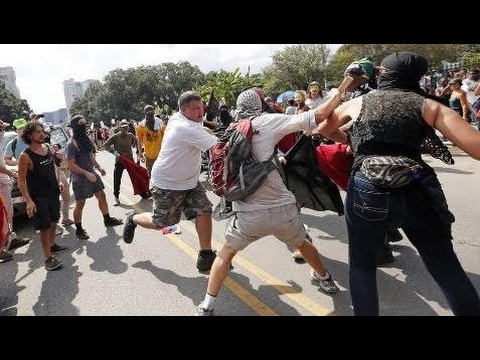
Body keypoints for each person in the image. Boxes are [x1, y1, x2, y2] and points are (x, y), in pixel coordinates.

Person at [317, 51, 480, 316]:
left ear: (386, 75)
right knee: (444, 266)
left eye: (380, 71)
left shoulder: (359, 103)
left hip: (367, 189)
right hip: (416, 187)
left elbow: (322, 128)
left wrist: (355, 142)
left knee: (362, 266)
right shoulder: (428, 105)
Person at [195, 85, 351, 316]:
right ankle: (325, 279)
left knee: (225, 254)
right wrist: (338, 92)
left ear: (238, 107)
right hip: (282, 211)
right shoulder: (267, 122)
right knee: (302, 242)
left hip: (247, 215)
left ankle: (207, 306)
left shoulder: (228, 131)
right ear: (258, 106)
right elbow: (317, 116)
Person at [123, 91, 218, 273]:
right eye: (195, 109)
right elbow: (218, 146)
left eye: (202, 107)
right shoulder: (185, 128)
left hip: (189, 181)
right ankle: (133, 219)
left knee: (204, 210)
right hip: (167, 183)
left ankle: (205, 255)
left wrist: (209, 126)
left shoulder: (177, 118)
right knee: (163, 223)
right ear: (183, 110)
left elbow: (202, 128)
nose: (201, 112)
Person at [17, 122, 68, 271]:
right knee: (44, 227)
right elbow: (21, 181)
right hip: (39, 198)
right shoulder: (25, 156)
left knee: (54, 221)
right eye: (38, 132)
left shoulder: (47, 148)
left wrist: (58, 182)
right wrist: (28, 201)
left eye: (42, 131)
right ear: (29, 135)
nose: (42, 134)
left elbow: (53, 167)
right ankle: (47, 258)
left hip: (53, 193)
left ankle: (53, 245)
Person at [66, 115, 123, 241]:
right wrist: (86, 173)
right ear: (75, 127)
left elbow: (89, 155)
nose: (84, 126)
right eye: (81, 124)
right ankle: (79, 230)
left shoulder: (85, 139)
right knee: (80, 203)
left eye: (84, 123)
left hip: (92, 174)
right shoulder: (71, 144)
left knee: (101, 195)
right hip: (80, 178)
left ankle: (107, 219)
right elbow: (70, 165)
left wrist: (98, 167)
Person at [100, 119, 139, 206]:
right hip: (120, 162)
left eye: (126, 127)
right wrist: (113, 152)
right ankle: (116, 197)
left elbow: (137, 140)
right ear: (120, 128)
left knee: (137, 177)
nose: (125, 129)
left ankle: (143, 192)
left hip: (130, 161)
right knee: (117, 180)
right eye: (123, 128)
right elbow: (105, 145)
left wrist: (138, 151)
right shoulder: (115, 137)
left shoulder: (130, 135)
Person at [136, 105, 165, 177]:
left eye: (151, 110)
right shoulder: (141, 126)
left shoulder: (160, 123)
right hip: (149, 155)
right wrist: (140, 153)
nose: (150, 112)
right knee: (151, 174)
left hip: (160, 154)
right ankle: (154, 187)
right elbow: (139, 141)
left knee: (161, 173)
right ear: (144, 113)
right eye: (147, 110)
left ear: (154, 111)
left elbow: (165, 137)